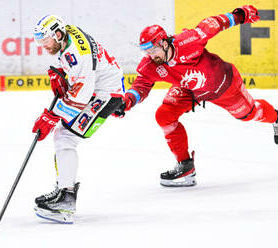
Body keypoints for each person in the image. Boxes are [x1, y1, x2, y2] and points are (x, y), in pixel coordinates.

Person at [116, 5, 278, 187]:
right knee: (164, 115)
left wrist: (240, 15)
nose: (150, 56)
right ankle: (185, 166)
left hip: (223, 85)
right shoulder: (152, 65)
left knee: (249, 114)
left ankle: (276, 117)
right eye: (146, 52)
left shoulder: (188, 41)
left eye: (153, 50)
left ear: (163, 42)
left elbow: (213, 24)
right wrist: (126, 101)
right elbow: (141, 84)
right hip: (189, 90)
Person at [32, 15, 124, 223]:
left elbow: (81, 96)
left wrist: (51, 116)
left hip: (105, 94)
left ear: (57, 34)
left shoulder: (78, 55)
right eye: (39, 41)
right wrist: (61, 73)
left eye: (44, 40)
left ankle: (65, 199)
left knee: (65, 137)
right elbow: (78, 71)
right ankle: (63, 190)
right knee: (63, 136)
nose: (42, 46)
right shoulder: (67, 35)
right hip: (99, 87)